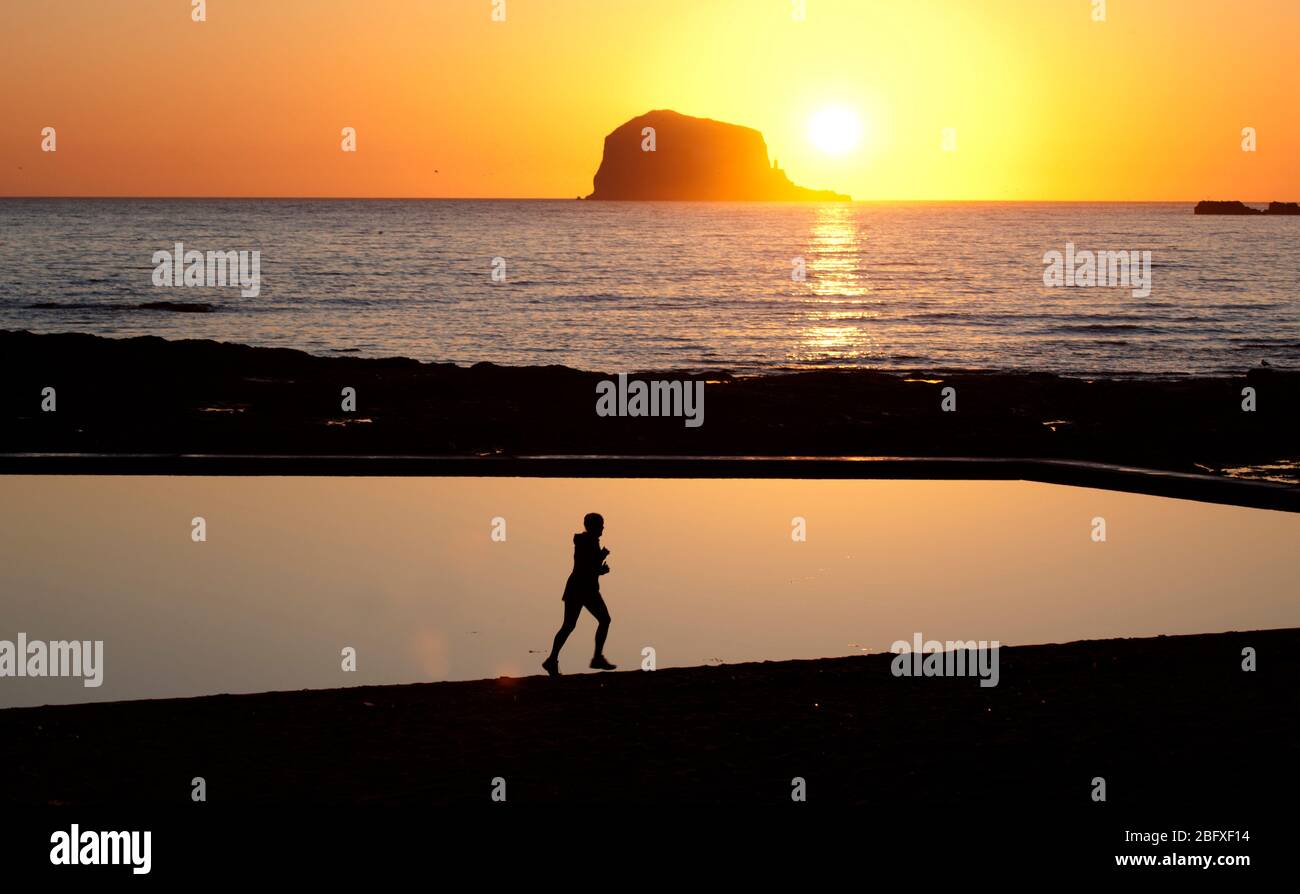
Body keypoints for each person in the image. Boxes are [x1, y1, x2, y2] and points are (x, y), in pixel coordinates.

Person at [542, 512, 615, 675]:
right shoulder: (585, 542)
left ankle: (552, 660)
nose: (603, 527)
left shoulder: (588, 541)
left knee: (570, 625)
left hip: (580, 588)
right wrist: (601, 567)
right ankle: (595, 658)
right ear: (593, 527)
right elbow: (585, 567)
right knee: (601, 620)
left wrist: (599, 563)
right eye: (601, 525)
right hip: (582, 589)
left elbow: (588, 565)